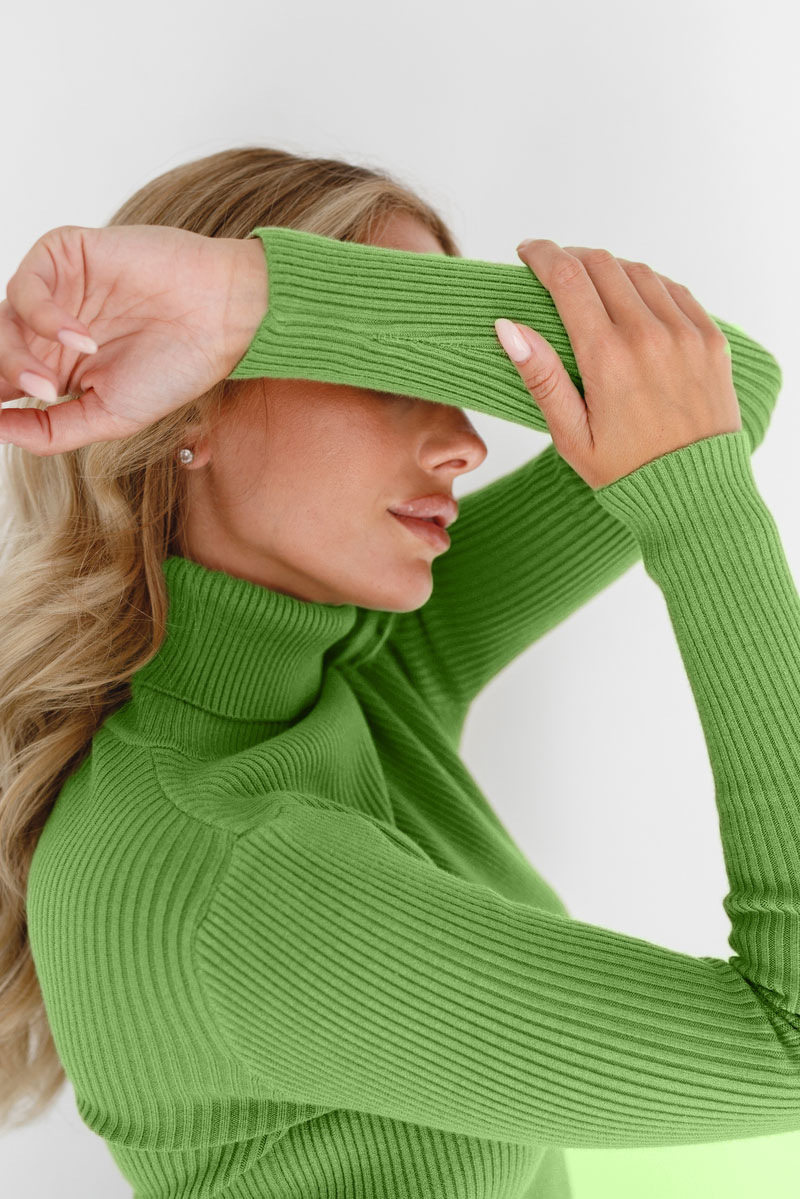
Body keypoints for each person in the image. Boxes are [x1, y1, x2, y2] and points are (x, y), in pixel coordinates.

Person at [0, 145, 797, 1199]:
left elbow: (714, 385)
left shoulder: (360, 674)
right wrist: (692, 505)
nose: (466, 443)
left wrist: (255, 295)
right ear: (189, 409)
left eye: (445, 376)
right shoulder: (229, 868)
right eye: (392, 376)